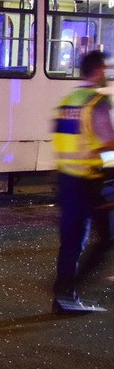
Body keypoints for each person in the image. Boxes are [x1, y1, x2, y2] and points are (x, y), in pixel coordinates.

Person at [50, 50, 114, 314]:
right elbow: (109, 143)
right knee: (105, 238)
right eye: (106, 69)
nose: (107, 74)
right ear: (98, 70)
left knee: (72, 240)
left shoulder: (68, 100)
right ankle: (67, 292)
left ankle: (64, 292)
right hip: (89, 181)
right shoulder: (96, 102)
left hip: (66, 179)